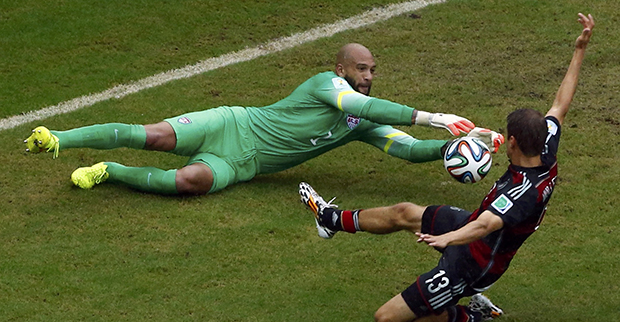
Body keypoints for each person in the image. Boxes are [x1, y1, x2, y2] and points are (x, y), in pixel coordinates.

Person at [298, 14, 594, 322]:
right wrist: (579, 50)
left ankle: (472, 312)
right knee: (404, 213)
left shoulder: (522, 194)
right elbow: (560, 105)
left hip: (474, 263)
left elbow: (485, 225)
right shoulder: (545, 148)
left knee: (386, 321)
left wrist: (447, 238)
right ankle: (329, 220)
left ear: (513, 143)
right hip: (470, 230)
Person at [24, 43, 503, 196]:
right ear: (341, 69)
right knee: (151, 136)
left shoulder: (365, 124)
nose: (368, 76)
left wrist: (457, 147)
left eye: (374, 70)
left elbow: (405, 149)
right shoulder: (327, 86)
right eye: (361, 68)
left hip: (246, 164)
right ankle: (58, 138)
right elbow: (358, 107)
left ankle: (110, 172)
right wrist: (435, 116)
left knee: (189, 182)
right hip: (232, 124)